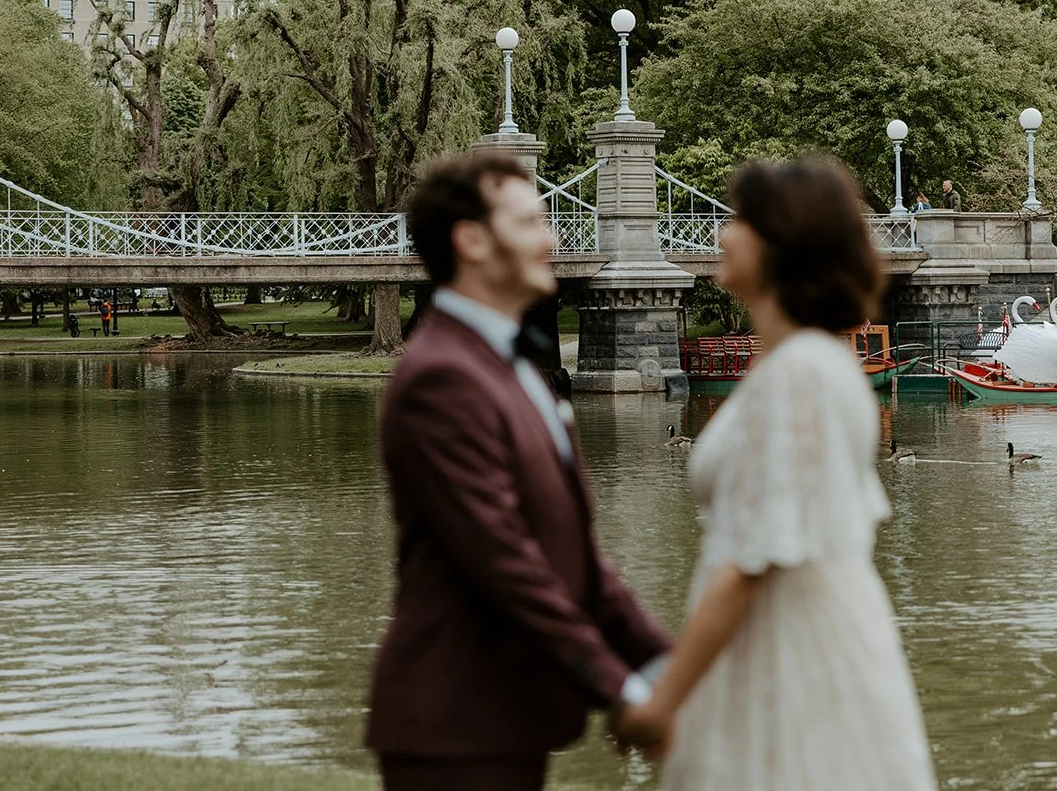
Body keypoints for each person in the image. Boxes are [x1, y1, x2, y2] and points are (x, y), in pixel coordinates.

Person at [615, 157, 937, 790]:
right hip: (788, 644)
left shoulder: (798, 377)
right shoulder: (806, 366)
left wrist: (663, 701)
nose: (719, 234)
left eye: (740, 221)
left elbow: (746, 564)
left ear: (781, 246)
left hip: (791, 660)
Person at [367, 152, 671, 791]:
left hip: (507, 718)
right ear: (472, 240)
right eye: (531, 222)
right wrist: (619, 687)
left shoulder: (515, 368)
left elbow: (579, 558)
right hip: (454, 724)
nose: (553, 238)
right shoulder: (441, 379)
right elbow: (502, 560)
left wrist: (667, 666)